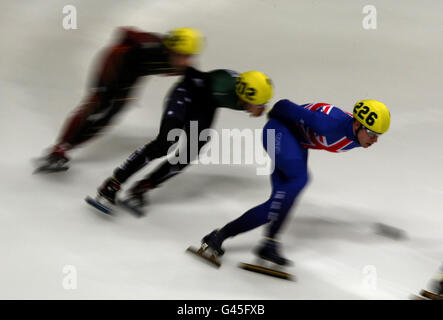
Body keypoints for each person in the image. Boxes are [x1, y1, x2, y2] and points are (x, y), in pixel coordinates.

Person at [198, 99, 391, 266]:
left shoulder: (356, 133)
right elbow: (283, 106)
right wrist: (272, 116)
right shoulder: (328, 124)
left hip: (296, 142)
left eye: (378, 135)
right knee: (293, 186)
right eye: (372, 133)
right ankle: (218, 236)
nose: (375, 140)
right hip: (278, 132)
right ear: (357, 125)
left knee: (283, 197)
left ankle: (269, 243)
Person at [88, 68, 274, 214]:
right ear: (244, 95)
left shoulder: (244, 91)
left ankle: (142, 188)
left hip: (205, 105)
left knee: (188, 155)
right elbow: (190, 74)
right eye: (259, 105)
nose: (261, 110)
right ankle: (112, 184)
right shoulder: (221, 84)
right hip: (185, 95)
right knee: (165, 143)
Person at [36, 27, 204, 172]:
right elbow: (125, 33)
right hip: (115, 63)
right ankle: (58, 148)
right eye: (181, 55)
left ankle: (66, 148)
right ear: (169, 50)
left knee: (110, 116)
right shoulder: (149, 45)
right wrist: (105, 88)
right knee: (97, 104)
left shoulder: (181, 66)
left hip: (132, 74)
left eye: (189, 56)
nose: (185, 61)